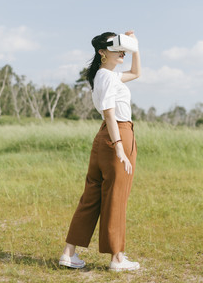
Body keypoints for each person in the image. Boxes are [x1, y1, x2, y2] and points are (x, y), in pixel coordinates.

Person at [59, 30, 141, 271]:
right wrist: (119, 149)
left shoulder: (108, 76)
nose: (122, 52)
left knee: (91, 196)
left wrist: (135, 46)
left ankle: (69, 253)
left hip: (105, 136)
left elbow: (136, 73)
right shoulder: (106, 77)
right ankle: (117, 258)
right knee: (117, 196)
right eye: (116, 48)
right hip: (118, 134)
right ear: (102, 52)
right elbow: (110, 113)